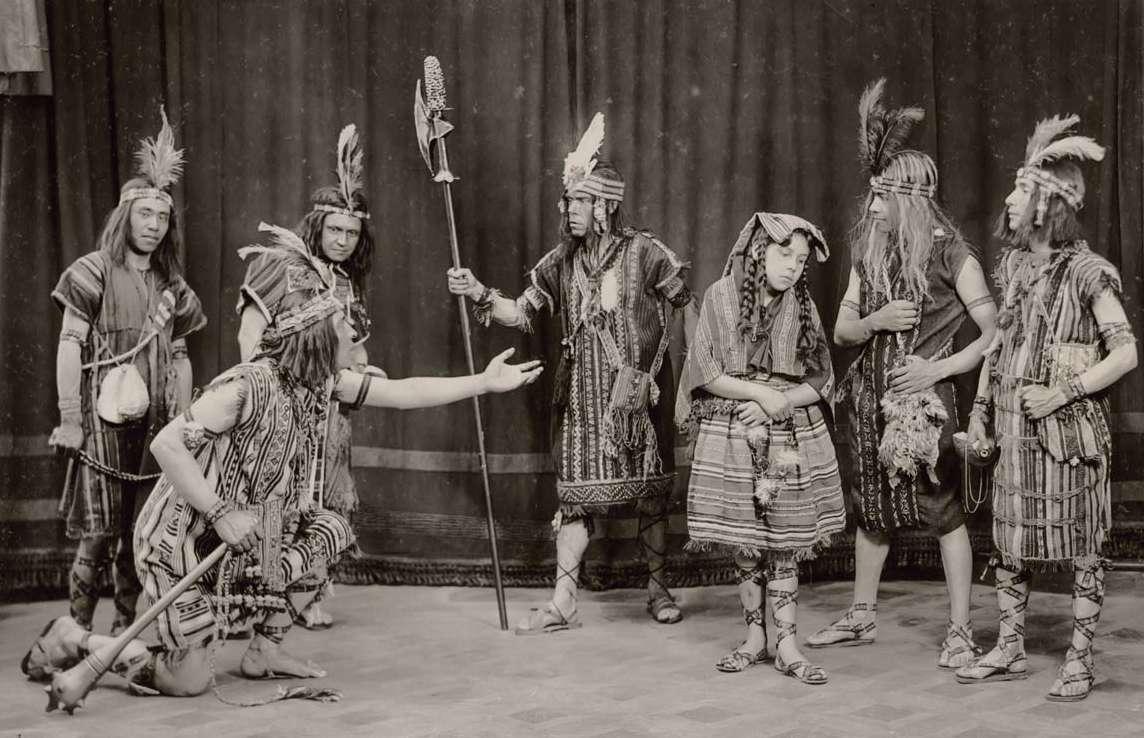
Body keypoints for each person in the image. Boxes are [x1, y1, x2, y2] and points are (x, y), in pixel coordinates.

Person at [22, 225, 542, 699]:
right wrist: (221, 513)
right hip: (182, 540)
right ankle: (76, 638)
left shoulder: (323, 383)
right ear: (316, 337)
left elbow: (405, 392)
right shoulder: (247, 386)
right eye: (344, 327)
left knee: (330, 529)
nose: (354, 337)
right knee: (188, 681)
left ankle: (263, 653)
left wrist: (483, 383)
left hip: (252, 534)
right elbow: (166, 445)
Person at [446, 113, 697, 633]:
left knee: (651, 493)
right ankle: (564, 601)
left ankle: (658, 588)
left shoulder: (646, 252)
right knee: (576, 495)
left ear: (605, 205)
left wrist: (690, 379)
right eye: (568, 201)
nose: (570, 210)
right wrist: (479, 293)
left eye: (580, 201)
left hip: (638, 398)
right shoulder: (560, 262)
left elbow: (686, 305)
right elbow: (521, 312)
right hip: (583, 402)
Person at [806, 79, 997, 670]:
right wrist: (877, 320)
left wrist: (936, 368)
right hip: (869, 402)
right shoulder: (869, 252)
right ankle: (862, 615)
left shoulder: (953, 254)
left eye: (881, 197)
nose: (870, 208)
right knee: (872, 510)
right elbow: (842, 331)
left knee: (944, 514)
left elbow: (994, 334)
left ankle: (960, 631)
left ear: (909, 199)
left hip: (925, 410)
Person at [955, 115, 1136, 702]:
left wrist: (1064, 391)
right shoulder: (1014, 267)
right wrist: (979, 410)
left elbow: (1126, 352)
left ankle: (1080, 660)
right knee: (1009, 542)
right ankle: (1010, 647)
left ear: (1048, 204)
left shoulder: (1088, 272)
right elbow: (1000, 344)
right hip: (1015, 435)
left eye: (1021, 190)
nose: (1009, 200)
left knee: (1083, 546)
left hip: (1066, 439)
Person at [46, 108, 205, 636]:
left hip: (156, 425)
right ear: (125, 217)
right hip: (101, 424)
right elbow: (70, 344)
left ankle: (124, 633)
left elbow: (180, 357)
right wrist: (71, 419)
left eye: (162, 217)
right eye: (145, 214)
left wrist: (183, 421)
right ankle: (76, 634)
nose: (154, 225)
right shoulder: (91, 271)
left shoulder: (172, 286)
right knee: (97, 534)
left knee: (142, 530)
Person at [678, 213, 845, 684]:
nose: (793, 267)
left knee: (785, 542)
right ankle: (755, 638)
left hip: (788, 434)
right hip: (734, 431)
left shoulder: (803, 305)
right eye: (784, 254)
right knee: (748, 543)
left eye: (801, 260)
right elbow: (705, 371)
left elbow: (822, 379)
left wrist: (780, 401)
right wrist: (758, 395)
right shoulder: (720, 297)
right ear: (758, 251)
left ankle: (787, 644)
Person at [236, 124, 380, 630]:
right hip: (279, 405)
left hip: (329, 413)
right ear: (316, 226)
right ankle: (256, 602)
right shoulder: (279, 264)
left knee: (323, 498)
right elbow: (250, 336)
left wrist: (362, 369)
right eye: (334, 230)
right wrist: (262, 397)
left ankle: (306, 595)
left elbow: (351, 348)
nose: (342, 241)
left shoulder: (346, 281)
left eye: (352, 233)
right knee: (273, 497)